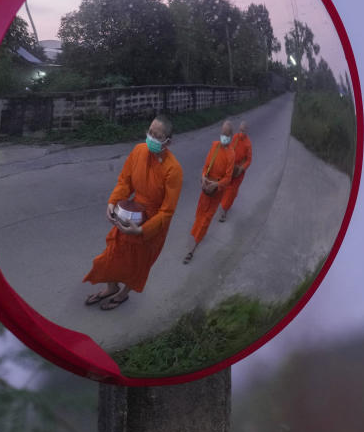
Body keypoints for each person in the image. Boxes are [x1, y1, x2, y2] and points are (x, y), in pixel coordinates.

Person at [83, 115, 183, 310]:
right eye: (151, 132)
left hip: (152, 227)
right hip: (130, 213)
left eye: (158, 135)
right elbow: (125, 181)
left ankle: (122, 294)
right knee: (111, 255)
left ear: (168, 141)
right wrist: (113, 202)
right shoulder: (138, 151)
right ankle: (110, 288)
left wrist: (142, 231)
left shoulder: (174, 169)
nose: (152, 137)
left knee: (138, 265)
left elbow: (167, 211)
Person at [183, 120, 235, 264]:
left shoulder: (231, 155)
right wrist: (204, 176)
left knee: (206, 219)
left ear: (231, 135)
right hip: (206, 188)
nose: (223, 137)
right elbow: (206, 166)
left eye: (226, 134)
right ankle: (196, 233)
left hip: (216, 191)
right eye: (222, 133)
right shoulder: (214, 146)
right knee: (199, 213)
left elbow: (228, 178)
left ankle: (191, 249)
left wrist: (216, 185)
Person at [219, 120, 252, 222]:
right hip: (230, 168)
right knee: (225, 187)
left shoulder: (248, 144)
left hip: (238, 172)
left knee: (231, 191)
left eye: (244, 131)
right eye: (240, 130)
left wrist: (241, 168)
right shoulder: (235, 137)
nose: (241, 133)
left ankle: (224, 211)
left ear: (247, 131)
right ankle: (225, 203)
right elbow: (228, 147)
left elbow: (249, 159)